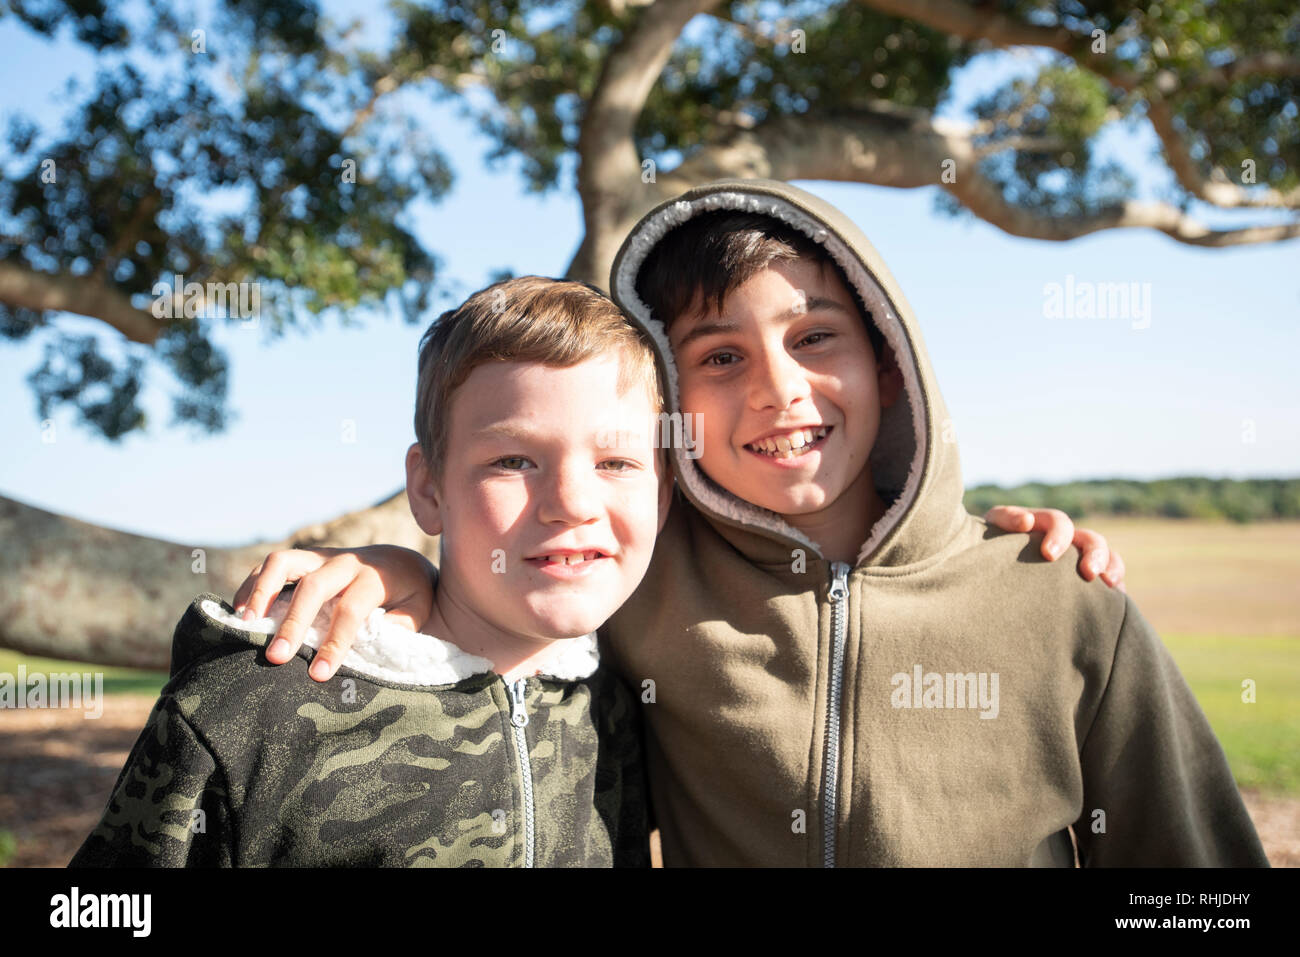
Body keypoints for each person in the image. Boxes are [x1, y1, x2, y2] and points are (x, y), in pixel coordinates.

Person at [236, 180, 1263, 866]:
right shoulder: (638, 582)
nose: (779, 390)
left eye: (816, 337)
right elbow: (512, 581)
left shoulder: (1055, 594)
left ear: (891, 365)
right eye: (718, 357)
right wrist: (391, 569)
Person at [70, 277, 668, 867]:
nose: (570, 502)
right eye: (512, 461)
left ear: (664, 493)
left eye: (616, 461)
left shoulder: (623, 709)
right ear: (428, 487)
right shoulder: (252, 710)